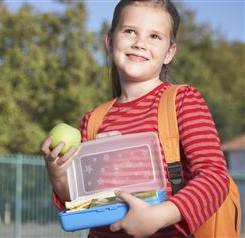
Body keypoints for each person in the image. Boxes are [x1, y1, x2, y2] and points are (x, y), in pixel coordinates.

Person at [41, 0, 230, 237]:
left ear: (169, 52)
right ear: (110, 41)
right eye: (130, 31)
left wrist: (158, 216)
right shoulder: (92, 121)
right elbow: (85, 201)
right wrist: (57, 175)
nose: (140, 43)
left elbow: (214, 177)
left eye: (154, 36)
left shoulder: (182, 101)